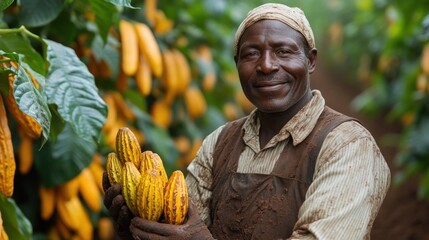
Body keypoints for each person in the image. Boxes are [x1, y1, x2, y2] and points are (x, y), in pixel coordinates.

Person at [103, 3, 391, 239]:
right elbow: (182, 226)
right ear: (237, 64)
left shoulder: (348, 145)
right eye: (251, 54)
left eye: (283, 51)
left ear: (311, 60)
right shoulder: (219, 142)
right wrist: (141, 226)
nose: (266, 65)